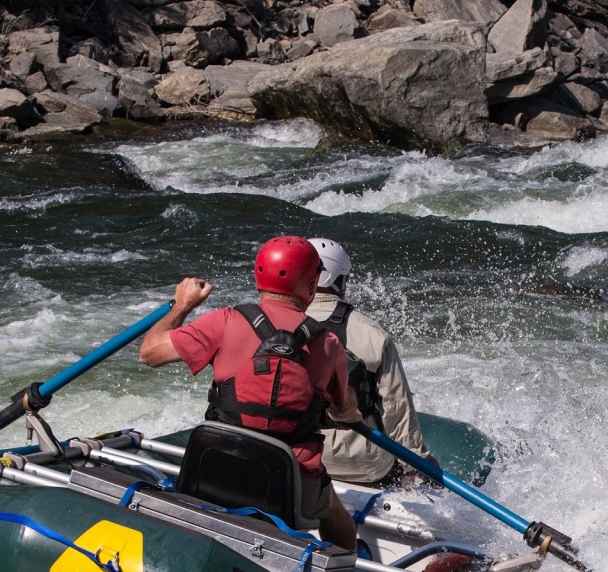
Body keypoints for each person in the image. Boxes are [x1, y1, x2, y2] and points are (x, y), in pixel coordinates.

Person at [138, 236, 364, 551]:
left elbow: (149, 353)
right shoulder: (328, 344)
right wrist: (348, 411)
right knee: (334, 513)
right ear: (312, 286)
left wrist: (183, 305)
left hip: (215, 466)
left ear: (258, 276)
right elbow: (345, 410)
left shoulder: (224, 320)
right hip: (289, 484)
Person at [302, 237, 432, 486]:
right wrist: (417, 466)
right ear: (338, 280)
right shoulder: (370, 333)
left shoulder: (269, 326)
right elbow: (396, 409)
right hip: (356, 462)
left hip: (288, 452)